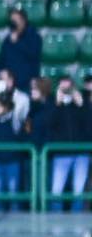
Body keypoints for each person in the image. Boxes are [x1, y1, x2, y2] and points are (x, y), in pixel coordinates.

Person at [47, 77, 91, 211]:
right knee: (56, 191)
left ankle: (76, 222)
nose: (66, 89)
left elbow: (89, 126)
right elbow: (49, 124)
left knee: (78, 192)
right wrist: (57, 104)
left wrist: (82, 105)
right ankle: (54, 223)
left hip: (81, 153)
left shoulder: (82, 104)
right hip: (61, 153)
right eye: (62, 86)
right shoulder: (52, 103)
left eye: (68, 86)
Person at [0, 7, 43, 95]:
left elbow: (33, 54)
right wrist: (1, 73)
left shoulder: (34, 36)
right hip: (9, 85)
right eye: (12, 21)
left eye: (16, 20)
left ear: (23, 20)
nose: (14, 23)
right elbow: (1, 60)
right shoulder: (8, 39)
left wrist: (17, 42)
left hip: (27, 84)